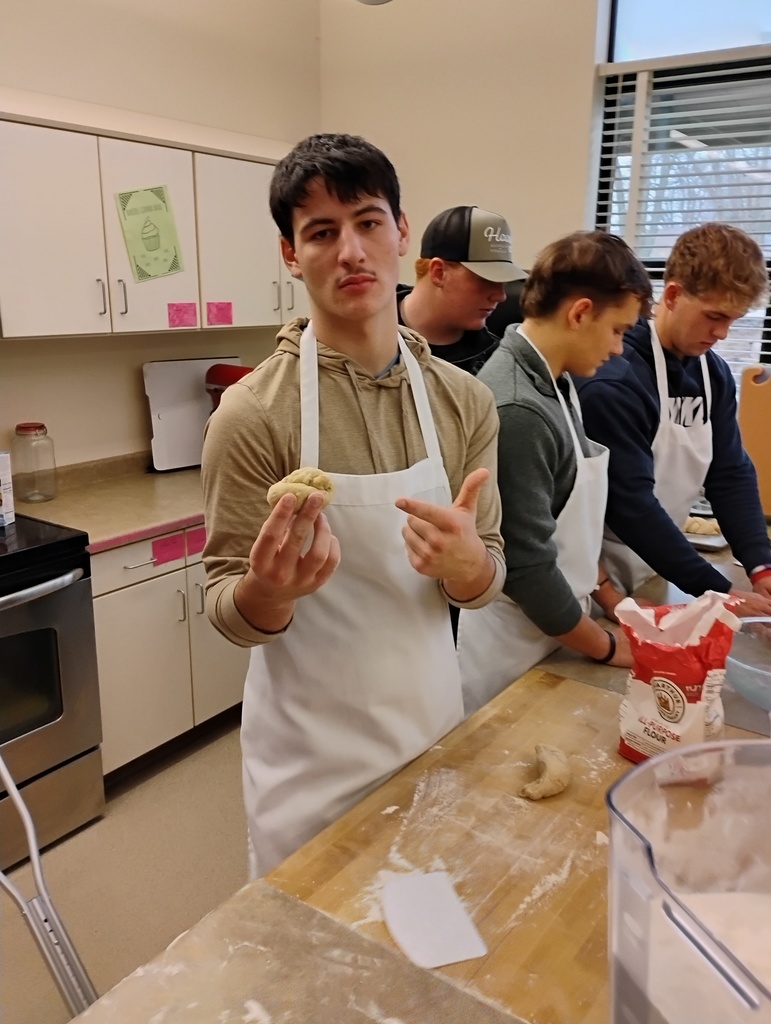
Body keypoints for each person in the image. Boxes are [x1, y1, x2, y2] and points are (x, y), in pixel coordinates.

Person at [201, 133, 505, 877]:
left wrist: (467, 566)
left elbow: (487, 576)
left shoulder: (464, 402)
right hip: (308, 766)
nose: (350, 252)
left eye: (368, 222)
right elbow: (227, 607)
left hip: (431, 730)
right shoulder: (252, 415)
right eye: (321, 232)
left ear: (401, 232)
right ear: (290, 253)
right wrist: (269, 591)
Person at [458, 230, 652, 717]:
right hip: (510, 646)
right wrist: (607, 646)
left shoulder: (556, 381)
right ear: (580, 313)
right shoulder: (519, 407)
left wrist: (614, 601)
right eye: (618, 330)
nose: (619, 349)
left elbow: (567, 526)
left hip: (557, 628)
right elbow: (527, 567)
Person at [576, 222, 771, 620]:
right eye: (714, 316)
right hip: (592, 579)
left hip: (654, 565)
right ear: (672, 295)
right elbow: (631, 505)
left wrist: (760, 565)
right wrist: (715, 589)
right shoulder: (615, 379)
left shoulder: (712, 374)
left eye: (733, 320)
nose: (722, 333)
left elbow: (729, 472)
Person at [396, 206, 527, 375]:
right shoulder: (367, 333)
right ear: (439, 272)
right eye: (486, 280)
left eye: (503, 282)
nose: (501, 296)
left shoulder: (497, 366)